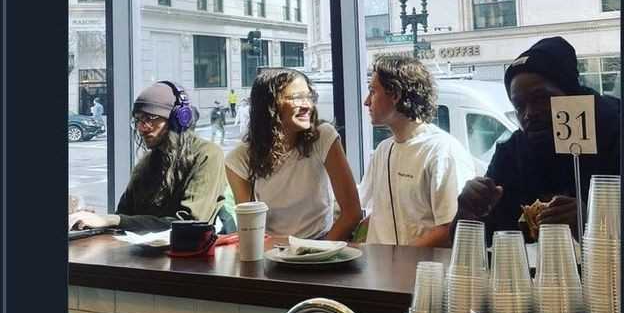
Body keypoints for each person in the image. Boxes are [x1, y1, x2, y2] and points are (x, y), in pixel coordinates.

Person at [455, 36, 621, 241]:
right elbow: (475, 244)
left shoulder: (617, 135)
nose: (529, 113)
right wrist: (469, 213)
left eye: (541, 99)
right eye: (519, 106)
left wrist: (594, 221)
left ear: (571, 95)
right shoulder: (512, 153)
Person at [69, 81, 226, 233]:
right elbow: (124, 214)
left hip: (187, 258)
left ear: (178, 119)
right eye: (138, 120)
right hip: (141, 256)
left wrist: (114, 220)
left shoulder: (207, 154)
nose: (141, 128)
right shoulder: (148, 162)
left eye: (149, 118)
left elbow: (189, 223)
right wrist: (93, 219)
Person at [225, 69, 362, 240]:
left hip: (321, 245)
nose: (308, 105)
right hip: (273, 250)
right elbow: (251, 228)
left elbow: (352, 213)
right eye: (297, 98)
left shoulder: (323, 137)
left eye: (309, 97)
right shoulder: (239, 158)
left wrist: (317, 254)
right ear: (270, 105)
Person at [359, 56, 476, 246]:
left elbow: (451, 228)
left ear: (395, 94)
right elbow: (379, 216)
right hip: (380, 271)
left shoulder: (442, 151)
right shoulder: (383, 150)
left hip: (424, 272)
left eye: (373, 91)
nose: (366, 101)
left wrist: (397, 260)